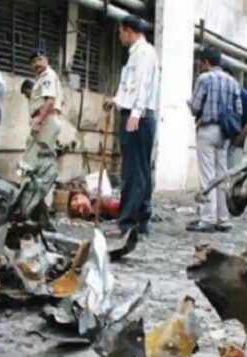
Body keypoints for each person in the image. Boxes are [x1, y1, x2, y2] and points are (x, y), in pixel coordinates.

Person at [104, 15, 159, 237]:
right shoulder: (137, 53)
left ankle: (127, 222)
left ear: (128, 31)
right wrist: (116, 101)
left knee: (133, 171)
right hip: (137, 113)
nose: (119, 37)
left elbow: (142, 85)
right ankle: (140, 221)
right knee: (139, 170)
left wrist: (135, 113)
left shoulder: (144, 52)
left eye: (120, 32)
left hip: (139, 116)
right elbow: (129, 86)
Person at [186, 46, 242, 233]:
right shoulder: (233, 82)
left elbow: (195, 107)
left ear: (206, 62)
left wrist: (189, 103)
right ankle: (223, 218)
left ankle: (208, 218)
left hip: (207, 129)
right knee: (221, 175)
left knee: (207, 176)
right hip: (225, 132)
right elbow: (239, 111)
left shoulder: (204, 79)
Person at [25, 48, 62, 165]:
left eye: (39, 60)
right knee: (41, 159)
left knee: (35, 159)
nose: (37, 64)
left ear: (47, 60)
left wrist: (39, 120)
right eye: (33, 62)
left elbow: (50, 101)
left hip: (46, 120)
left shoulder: (47, 75)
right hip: (47, 119)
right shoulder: (42, 77)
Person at [223, 67, 247, 169]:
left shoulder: (243, 95)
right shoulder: (219, 94)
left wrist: (236, 142)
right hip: (218, 142)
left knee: (232, 172)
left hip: (234, 145)